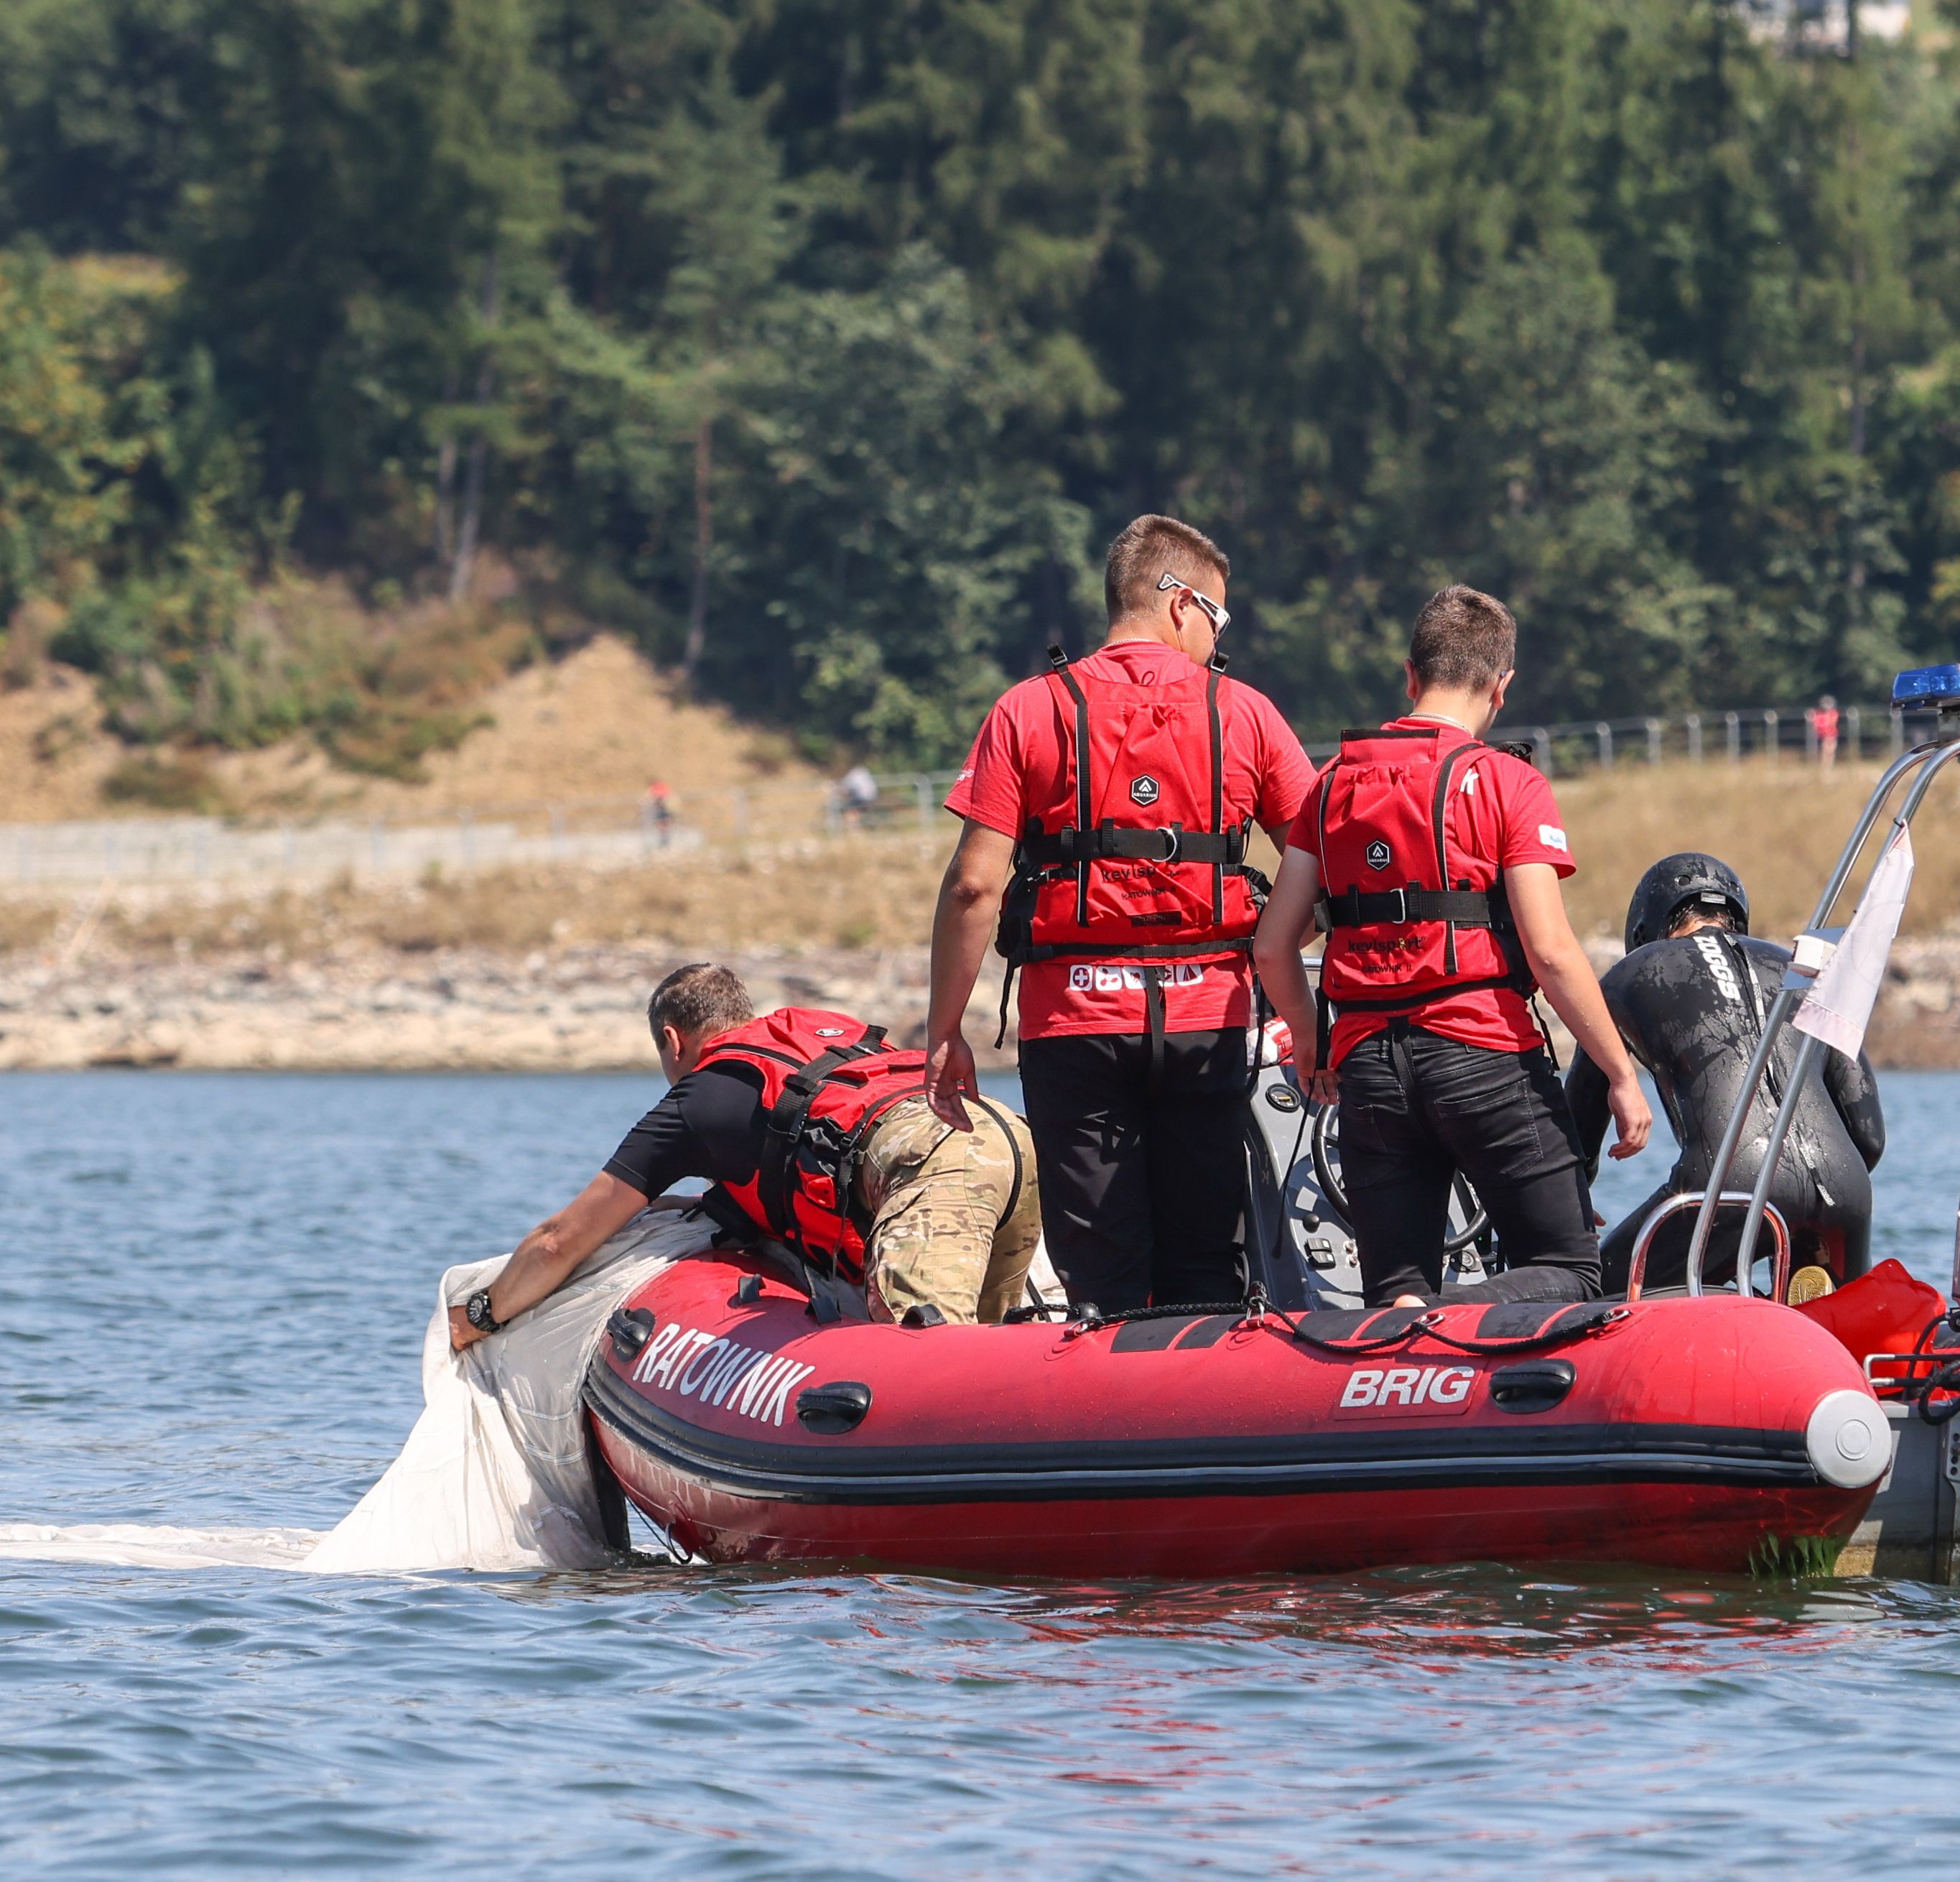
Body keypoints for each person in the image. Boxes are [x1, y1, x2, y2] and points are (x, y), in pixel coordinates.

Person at [918, 514, 1314, 1317]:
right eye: (1218, 615)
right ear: (1179, 603)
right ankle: (1204, 1413)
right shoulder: (1246, 713)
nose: (1215, 636)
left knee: (1101, 1271)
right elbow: (1321, 861)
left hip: (1075, 1025)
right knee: (1207, 1261)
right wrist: (1280, 954)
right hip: (1210, 1017)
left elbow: (972, 885)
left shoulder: (1028, 710)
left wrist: (943, 1030)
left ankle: (1107, 1414)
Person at [1254, 585, 1649, 1307]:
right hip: (1484, 1056)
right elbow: (1552, 951)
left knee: (1394, 1289)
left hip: (1369, 1067)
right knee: (1570, 1270)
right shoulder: (1509, 783)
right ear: (1502, 687)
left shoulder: (1331, 786)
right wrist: (1620, 1073)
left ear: (1411, 676)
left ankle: (1411, 1319)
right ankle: (1452, 1321)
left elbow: (1275, 946)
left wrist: (1313, 1049)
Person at [454, 962, 1041, 1351]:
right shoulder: (818, 1033)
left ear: (672, 1040)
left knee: (930, 1366)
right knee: (992, 1350)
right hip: (1003, 1135)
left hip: (927, 1163)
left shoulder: (697, 1097)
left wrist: (480, 1315)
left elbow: (562, 1239)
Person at [1566, 851, 1884, 1293]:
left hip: (1727, 1187)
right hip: (1846, 1190)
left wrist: (1570, 1205)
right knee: (1837, 1338)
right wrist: (1810, 1199)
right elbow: (1869, 1136)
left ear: (1643, 930)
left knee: (1590, 1289)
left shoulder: (1630, 973)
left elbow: (1574, 1136)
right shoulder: (1806, 973)